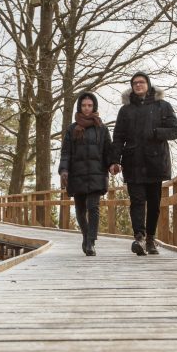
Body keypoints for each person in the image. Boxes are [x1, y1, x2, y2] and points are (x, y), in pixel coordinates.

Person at [110, 71, 177, 256]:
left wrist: (156, 132)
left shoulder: (162, 106)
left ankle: (151, 239)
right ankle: (139, 238)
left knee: (154, 203)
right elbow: (118, 137)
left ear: (148, 85)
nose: (138, 85)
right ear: (132, 87)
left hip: (155, 160)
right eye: (135, 83)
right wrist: (114, 160)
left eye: (141, 82)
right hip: (133, 161)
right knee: (137, 201)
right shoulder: (125, 110)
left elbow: (175, 131)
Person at [58, 92, 114, 256]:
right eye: (84, 106)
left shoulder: (102, 128)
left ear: (94, 107)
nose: (87, 109)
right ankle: (85, 236)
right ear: (79, 107)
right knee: (80, 209)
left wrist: (112, 164)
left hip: (97, 173)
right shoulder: (72, 129)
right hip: (77, 174)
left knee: (93, 207)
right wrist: (64, 170)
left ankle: (91, 242)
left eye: (90, 105)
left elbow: (108, 151)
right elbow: (66, 152)